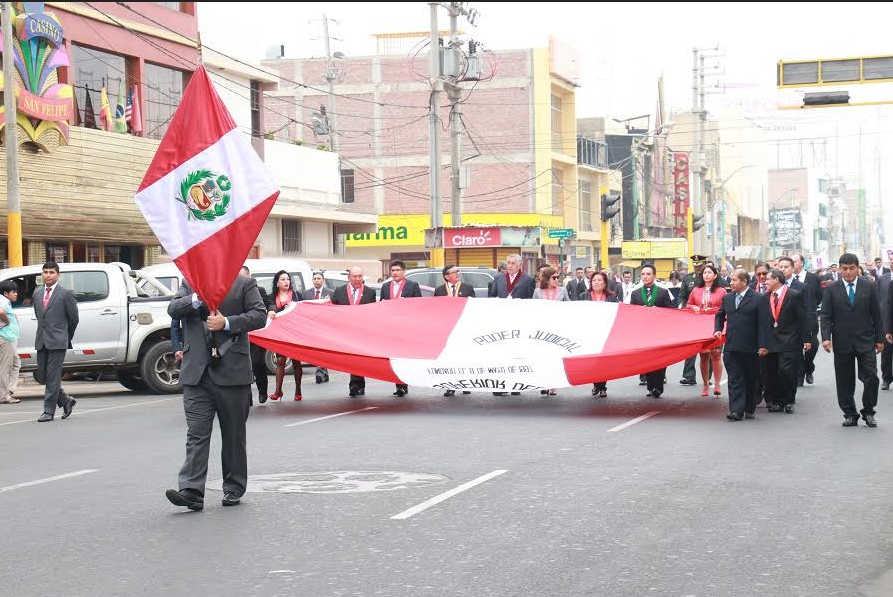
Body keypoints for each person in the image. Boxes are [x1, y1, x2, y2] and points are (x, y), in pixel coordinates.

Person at [165, 273, 267, 510]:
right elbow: (173, 309)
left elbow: (259, 316)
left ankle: (233, 487)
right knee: (196, 434)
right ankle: (191, 490)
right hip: (197, 374)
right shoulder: (191, 282)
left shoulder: (243, 283)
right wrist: (196, 298)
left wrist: (227, 323)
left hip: (232, 372)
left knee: (233, 436)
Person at [822, 253, 884, 427]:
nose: (848, 272)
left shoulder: (869, 286)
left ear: (857, 269)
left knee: (871, 377)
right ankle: (850, 413)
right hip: (842, 342)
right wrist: (826, 338)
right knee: (844, 380)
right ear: (840, 269)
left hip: (866, 341)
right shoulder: (831, 289)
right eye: (844, 269)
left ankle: (869, 411)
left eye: (851, 268)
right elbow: (826, 316)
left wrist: (880, 339)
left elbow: (877, 315)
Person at [714, 270, 767, 421]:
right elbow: (719, 315)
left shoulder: (758, 299)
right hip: (732, 346)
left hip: (751, 347)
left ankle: (749, 407)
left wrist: (763, 345)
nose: (731, 283)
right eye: (730, 280)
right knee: (735, 378)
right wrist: (717, 329)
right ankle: (736, 410)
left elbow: (764, 324)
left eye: (734, 280)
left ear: (744, 282)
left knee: (751, 379)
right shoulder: (728, 298)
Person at [34, 261, 79, 422]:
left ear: (58, 275)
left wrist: (65, 336)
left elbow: (74, 319)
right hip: (42, 340)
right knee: (43, 376)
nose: (48, 275)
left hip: (58, 341)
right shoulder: (37, 292)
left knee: (53, 377)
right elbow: (41, 318)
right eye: (45, 272)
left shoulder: (66, 294)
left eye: (51, 272)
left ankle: (48, 411)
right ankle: (66, 400)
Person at [761, 268, 810, 414]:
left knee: (786, 370)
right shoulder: (765, 297)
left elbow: (802, 318)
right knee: (772, 372)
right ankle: (777, 401)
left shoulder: (794, 295)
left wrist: (806, 338)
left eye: (768, 279)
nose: (765, 281)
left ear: (776, 279)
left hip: (790, 340)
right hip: (771, 341)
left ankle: (788, 400)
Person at [331, 267, 377, 397]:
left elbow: (373, 312)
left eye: (360, 276)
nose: (357, 279)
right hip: (345, 332)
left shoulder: (370, 292)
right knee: (351, 358)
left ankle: (356, 385)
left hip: (362, 332)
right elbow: (332, 310)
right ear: (349, 278)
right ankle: (356, 384)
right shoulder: (339, 291)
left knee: (360, 358)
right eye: (355, 276)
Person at [630, 264, 674, 398]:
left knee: (659, 359)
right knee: (647, 359)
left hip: (659, 332)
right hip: (643, 332)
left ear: (654, 276)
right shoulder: (635, 293)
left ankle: (658, 387)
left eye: (648, 274)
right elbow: (630, 314)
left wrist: (658, 312)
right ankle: (650, 386)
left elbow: (670, 312)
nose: (645, 276)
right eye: (643, 274)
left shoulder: (663, 292)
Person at [380, 259, 422, 397]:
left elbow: (419, 305)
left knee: (404, 357)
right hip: (391, 327)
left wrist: (407, 304)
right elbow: (381, 305)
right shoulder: (385, 287)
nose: (395, 273)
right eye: (393, 270)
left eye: (398, 270)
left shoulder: (412, 285)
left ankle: (404, 384)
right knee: (394, 357)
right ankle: (398, 385)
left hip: (406, 327)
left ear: (404, 272)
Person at [687, 265, 727, 397]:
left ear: (715, 276)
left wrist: (715, 310)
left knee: (716, 354)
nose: (707, 275)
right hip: (700, 327)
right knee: (703, 356)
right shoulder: (696, 290)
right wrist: (693, 307)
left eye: (710, 272)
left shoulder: (721, 291)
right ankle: (705, 383)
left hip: (716, 325)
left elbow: (726, 307)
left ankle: (716, 384)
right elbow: (688, 304)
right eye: (705, 272)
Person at [435, 265, 473, 397]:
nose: (458, 273)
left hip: (463, 328)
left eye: (458, 271)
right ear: (446, 276)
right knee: (449, 359)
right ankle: (450, 386)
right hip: (447, 330)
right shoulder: (439, 290)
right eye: (454, 272)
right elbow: (436, 310)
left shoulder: (467, 288)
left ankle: (466, 384)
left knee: (464, 358)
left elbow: (472, 308)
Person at [268, 270, 304, 402]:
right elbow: (269, 308)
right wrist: (271, 310)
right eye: (283, 279)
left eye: (288, 279)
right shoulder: (272, 296)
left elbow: (303, 310)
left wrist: (294, 307)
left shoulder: (297, 295)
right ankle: (278, 391)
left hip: (295, 333)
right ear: (277, 283)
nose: (286, 281)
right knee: (280, 361)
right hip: (280, 334)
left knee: (296, 361)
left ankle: (298, 390)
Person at [583, 271, 618, 397]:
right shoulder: (584, 296)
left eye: (599, 280)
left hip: (605, 333)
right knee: (592, 362)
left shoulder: (611, 297)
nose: (596, 282)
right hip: (589, 334)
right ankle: (595, 384)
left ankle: (602, 386)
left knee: (603, 362)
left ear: (604, 283)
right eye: (593, 280)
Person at [792, 254, 821, 386]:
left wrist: (811, 308)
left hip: (810, 317)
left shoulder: (813, 278)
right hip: (794, 320)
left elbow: (819, 296)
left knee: (812, 345)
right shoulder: (788, 280)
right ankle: (800, 374)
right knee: (797, 348)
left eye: (795, 261)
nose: (793, 264)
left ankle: (809, 367)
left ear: (802, 263)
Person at [678, 255, 707, 386]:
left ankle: (708, 376)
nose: (697, 267)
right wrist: (681, 306)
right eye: (695, 265)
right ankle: (689, 376)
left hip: (707, 318)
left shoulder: (710, 276)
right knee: (690, 347)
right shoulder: (688, 278)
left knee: (709, 349)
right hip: (692, 317)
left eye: (699, 265)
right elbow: (682, 296)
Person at [302, 271, 333, 384]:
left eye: (319, 278)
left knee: (323, 349)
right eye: (314, 278)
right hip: (311, 326)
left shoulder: (330, 293)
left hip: (325, 326)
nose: (316, 281)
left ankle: (320, 372)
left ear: (323, 280)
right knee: (316, 350)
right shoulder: (306, 293)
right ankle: (322, 372)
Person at [0, 281, 21, 404]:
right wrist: (7, 322)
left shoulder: (4, 300)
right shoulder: (3, 300)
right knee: (5, 367)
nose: (16, 294)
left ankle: (9, 390)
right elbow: (1, 312)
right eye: (13, 292)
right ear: (6, 293)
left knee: (16, 363)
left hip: (9, 337)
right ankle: (4, 395)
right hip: (6, 338)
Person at [879, 269, 893, 391]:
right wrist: (888, 329)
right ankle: (886, 379)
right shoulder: (887, 281)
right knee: (887, 352)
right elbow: (888, 306)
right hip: (889, 322)